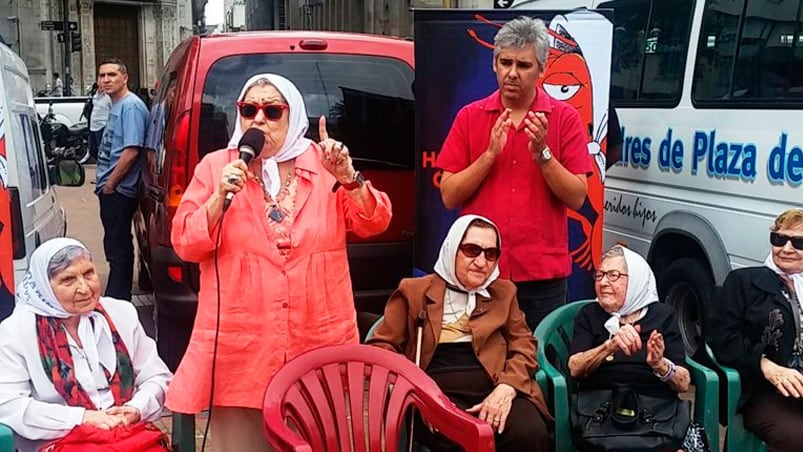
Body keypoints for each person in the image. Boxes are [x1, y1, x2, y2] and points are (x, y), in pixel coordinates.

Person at [166, 73, 392, 451]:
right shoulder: (216, 167)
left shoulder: (324, 164)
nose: (258, 120)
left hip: (317, 340)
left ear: (294, 116)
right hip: (242, 348)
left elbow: (376, 222)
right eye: (248, 110)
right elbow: (185, 243)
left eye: (272, 111)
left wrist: (350, 179)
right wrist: (219, 195)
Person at [436, 16, 591, 332]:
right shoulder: (470, 116)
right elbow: (449, 194)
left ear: (541, 70)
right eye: (505, 62)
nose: (512, 73)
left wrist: (544, 155)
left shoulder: (565, 118)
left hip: (542, 279)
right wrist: (489, 155)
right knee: (481, 368)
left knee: (541, 368)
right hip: (481, 273)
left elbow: (578, 197)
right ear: (494, 64)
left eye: (523, 65)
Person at [368, 214, 551, 451]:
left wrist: (508, 387)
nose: (481, 261)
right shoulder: (414, 291)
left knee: (529, 432)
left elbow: (524, 344)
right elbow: (381, 348)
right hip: (435, 390)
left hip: (495, 383)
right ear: (452, 248)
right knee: (462, 438)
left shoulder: (504, 293)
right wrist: (418, 390)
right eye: (471, 250)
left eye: (490, 254)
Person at [0, 238, 172, 452]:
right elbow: (8, 405)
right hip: (61, 440)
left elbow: (157, 376)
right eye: (68, 280)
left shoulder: (121, 314)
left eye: (88, 273)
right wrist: (82, 418)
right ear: (44, 287)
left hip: (128, 434)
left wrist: (136, 408)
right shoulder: (16, 332)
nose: (84, 288)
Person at [567, 245, 691, 451]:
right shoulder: (590, 314)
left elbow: (684, 382)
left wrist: (660, 365)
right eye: (599, 275)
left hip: (656, 416)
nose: (603, 282)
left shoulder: (663, 315)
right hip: (600, 416)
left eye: (613, 275)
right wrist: (610, 345)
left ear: (636, 279)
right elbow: (575, 367)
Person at [708, 208, 803, 450]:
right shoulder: (745, 282)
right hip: (765, 391)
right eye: (779, 239)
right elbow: (722, 337)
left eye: (799, 242)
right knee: (795, 436)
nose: (787, 248)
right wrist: (765, 364)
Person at [94, 58, 148, 301]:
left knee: (118, 248)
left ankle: (117, 300)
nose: (106, 80)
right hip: (112, 189)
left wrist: (111, 184)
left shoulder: (131, 107)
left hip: (120, 190)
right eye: (102, 75)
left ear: (125, 78)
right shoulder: (115, 106)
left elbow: (131, 150)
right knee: (114, 245)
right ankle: (116, 297)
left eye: (112, 75)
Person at [87, 82, 111, 164]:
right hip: (93, 126)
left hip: (102, 126)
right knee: (92, 150)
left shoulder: (108, 98)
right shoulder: (95, 97)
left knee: (102, 149)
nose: (101, 88)